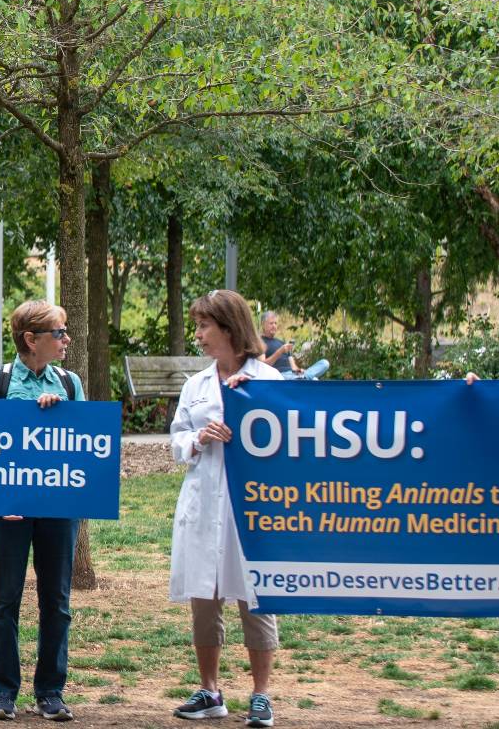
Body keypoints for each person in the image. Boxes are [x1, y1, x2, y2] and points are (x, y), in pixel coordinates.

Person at [168, 289, 283, 727]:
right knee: (204, 596)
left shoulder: (267, 383)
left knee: (256, 597)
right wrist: (198, 439)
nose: (198, 335)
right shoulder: (196, 385)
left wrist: (247, 418)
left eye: (204, 326)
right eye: (197, 325)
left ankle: (261, 694)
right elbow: (177, 439)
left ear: (230, 329)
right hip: (202, 502)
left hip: (251, 507)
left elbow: (289, 441)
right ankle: (210, 689)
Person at [0, 300, 81, 722]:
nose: (66, 339)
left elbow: (84, 446)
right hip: (9, 513)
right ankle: (3, 693)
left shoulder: (70, 384)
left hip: (59, 511)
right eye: (59, 332)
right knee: (5, 600)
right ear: (31, 339)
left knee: (56, 600)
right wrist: (1, 502)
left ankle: (50, 692)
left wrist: (65, 414)